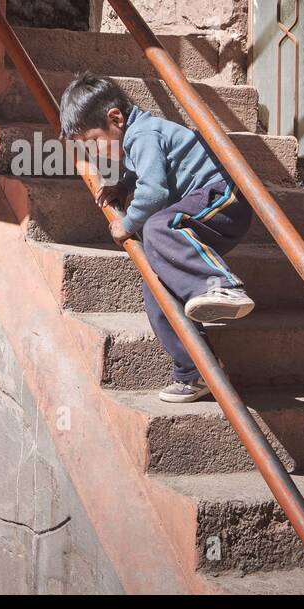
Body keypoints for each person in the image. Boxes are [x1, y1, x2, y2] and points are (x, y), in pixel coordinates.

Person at [59, 73, 255, 403]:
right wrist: (121, 187)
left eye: (92, 142)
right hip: (192, 215)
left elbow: (153, 193)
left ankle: (221, 285)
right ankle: (196, 371)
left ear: (115, 119)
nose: (93, 152)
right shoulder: (134, 140)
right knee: (156, 291)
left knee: (156, 227)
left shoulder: (144, 134)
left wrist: (127, 223)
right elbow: (140, 175)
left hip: (222, 198)